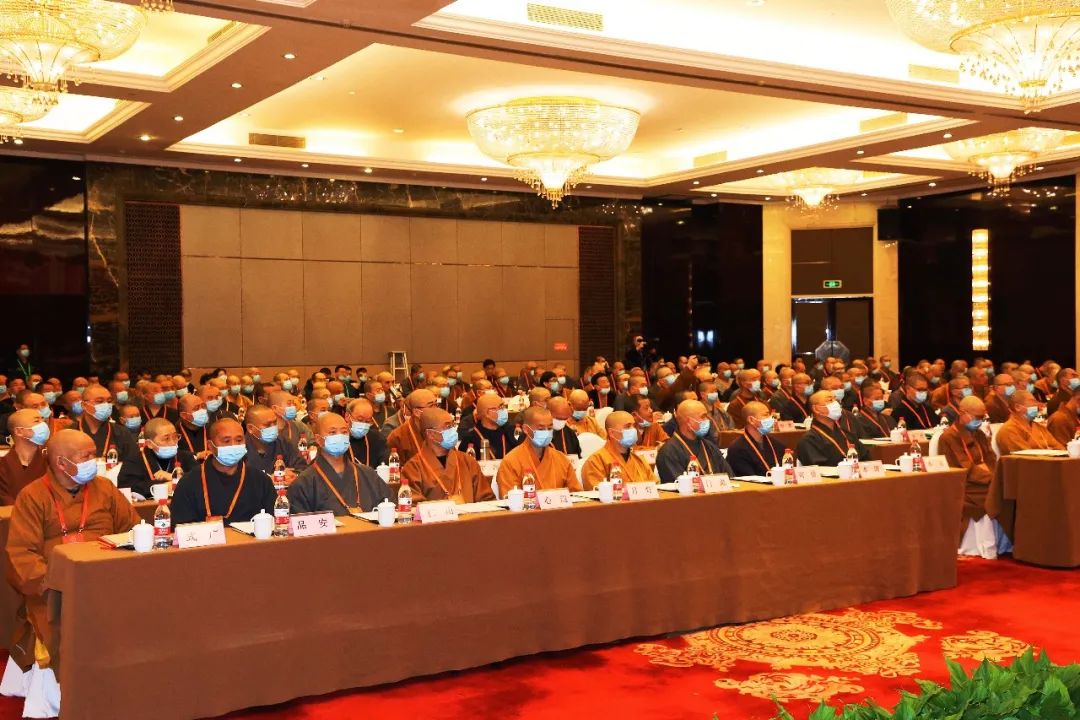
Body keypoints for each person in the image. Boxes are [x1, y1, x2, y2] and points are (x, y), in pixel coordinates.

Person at [6, 428, 139, 696]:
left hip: (108, 578)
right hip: (55, 588)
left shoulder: (105, 488)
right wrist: (57, 587)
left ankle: (132, 684)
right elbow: (21, 554)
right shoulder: (33, 496)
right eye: (85, 456)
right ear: (61, 462)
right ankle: (80, 695)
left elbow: (132, 529)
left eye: (94, 454)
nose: (93, 461)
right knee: (63, 624)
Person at [171, 418, 277, 525]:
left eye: (239, 440)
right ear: (211, 446)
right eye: (226, 441)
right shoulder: (189, 482)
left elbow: (275, 522)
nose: (233, 445)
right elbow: (181, 527)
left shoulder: (261, 480)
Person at [288, 413, 390, 515]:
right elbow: (300, 521)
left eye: (344, 432)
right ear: (318, 439)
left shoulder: (368, 474)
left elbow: (390, 506)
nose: (340, 436)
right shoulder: (304, 482)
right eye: (333, 432)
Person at [402, 408, 493, 503]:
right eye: (448, 426)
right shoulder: (413, 468)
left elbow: (487, 499)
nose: (453, 430)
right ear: (431, 434)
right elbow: (412, 506)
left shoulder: (467, 461)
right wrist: (445, 506)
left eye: (453, 425)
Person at [495, 406, 581, 497]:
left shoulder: (561, 459)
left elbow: (576, 495)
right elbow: (511, 499)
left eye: (550, 428)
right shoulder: (510, 461)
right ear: (526, 429)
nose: (547, 432)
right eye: (541, 429)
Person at [938, 397, 996, 527]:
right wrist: (992, 478)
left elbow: (991, 458)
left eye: (982, 417)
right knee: (997, 494)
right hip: (966, 485)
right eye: (977, 417)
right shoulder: (949, 437)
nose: (979, 421)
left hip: (984, 481)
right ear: (963, 413)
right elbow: (965, 468)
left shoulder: (979, 434)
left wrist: (994, 476)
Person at [117, 418, 197, 500]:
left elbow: (199, 480)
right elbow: (126, 487)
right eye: (166, 439)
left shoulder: (186, 456)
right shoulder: (134, 460)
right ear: (149, 444)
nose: (173, 442)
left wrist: (172, 477)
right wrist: (164, 486)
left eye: (175, 437)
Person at [655, 400, 732, 483]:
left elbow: (730, 478)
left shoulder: (709, 446)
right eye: (703, 417)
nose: (708, 420)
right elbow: (680, 485)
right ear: (689, 422)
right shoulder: (668, 452)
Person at [581, 411, 656, 489]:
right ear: (612, 433)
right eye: (628, 426)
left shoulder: (639, 460)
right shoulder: (595, 462)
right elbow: (597, 492)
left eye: (633, 426)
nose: (633, 430)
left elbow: (656, 487)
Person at [796, 390, 869, 466]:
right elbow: (818, 468)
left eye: (835, 400)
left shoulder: (846, 433)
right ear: (816, 409)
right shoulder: (809, 440)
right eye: (830, 400)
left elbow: (866, 457)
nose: (836, 403)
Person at [242, 405, 306, 480]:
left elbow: (301, 468)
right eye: (267, 425)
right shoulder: (240, 449)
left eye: (275, 422)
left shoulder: (283, 443)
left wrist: (293, 475)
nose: (274, 427)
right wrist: (268, 480)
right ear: (250, 428)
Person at [0, 409, 49, 505]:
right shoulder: (2, 465)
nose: (43, 424)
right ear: (19, 431)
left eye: (43, 420)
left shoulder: (51, 462)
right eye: (37, 421)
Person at [74, 385, 136, 461]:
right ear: (84, 405)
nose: (106, 405)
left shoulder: (121, 432)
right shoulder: (71, 432)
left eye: (109, 401)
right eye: (100, 401)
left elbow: (133, 462)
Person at [726, 402, 788, 477]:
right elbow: (748, 478)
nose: (771, 418)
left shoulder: (777, 444)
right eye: (766, 415)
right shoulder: (737, 449)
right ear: (751, 420)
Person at [993, 390, 1064, 454]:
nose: (1038, 406)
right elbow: (1027, 457)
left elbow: (1059, 448)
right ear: (1017, 407)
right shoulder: (1009, 430)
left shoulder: (1038, 426)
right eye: (1033, 402)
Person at [457, 393, 519, 459]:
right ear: (487, 413)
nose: (504, 410)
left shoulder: (510, 432)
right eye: (500, 407)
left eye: (504, 406)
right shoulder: (470, 439)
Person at [386, 390, 438, 465]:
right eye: (431, 406)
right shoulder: (398, 437)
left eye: (436, 404)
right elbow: (395, 469)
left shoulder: (441, 427)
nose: (436, 409)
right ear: (417, 412)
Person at [176, 393, 212, 459]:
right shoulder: (175, 433)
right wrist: (196, 455)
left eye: (203, 406)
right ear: (184, 415)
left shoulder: (212, 428)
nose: (202, 410)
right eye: (196, 408)